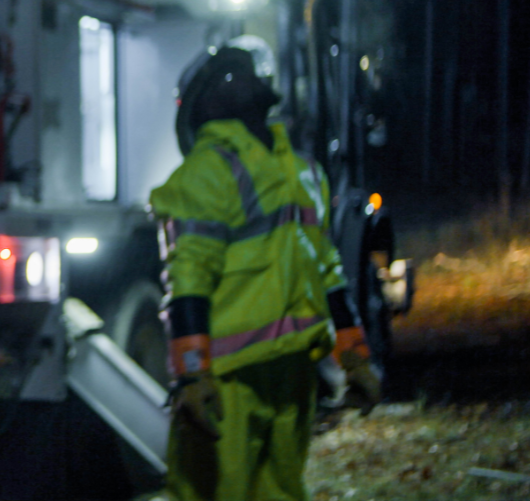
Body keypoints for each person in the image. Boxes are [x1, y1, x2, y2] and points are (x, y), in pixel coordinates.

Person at [149, 42, 381, 501]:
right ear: (208, 104)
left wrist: (355, 357)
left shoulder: (298, 172)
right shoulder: (228, 174)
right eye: (229, 77)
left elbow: (326, 272)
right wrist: (195, 376)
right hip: (231, 381)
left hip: (272, 377)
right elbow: (188, 284)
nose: (243, 81)